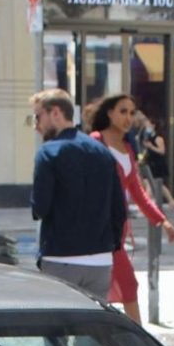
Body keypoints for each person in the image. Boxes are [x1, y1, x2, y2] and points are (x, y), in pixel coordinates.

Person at [28, 89, 126, 301]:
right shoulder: (102, 152)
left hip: (61, 256)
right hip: (100, 259)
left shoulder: (49, 152)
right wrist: (111, 245)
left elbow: (40, 207)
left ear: (55, 112)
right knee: (92, 328)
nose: (36, 125)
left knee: (56, 327)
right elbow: (119, 209)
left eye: (38, 116)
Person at [90, 94, 174, 319]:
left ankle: (133, 341)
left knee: (123, 286)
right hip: (96, 230)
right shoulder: (95, 142)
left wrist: (161, 220)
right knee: (110, 287)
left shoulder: (128, 147)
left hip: (116, 231)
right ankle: (134, 342)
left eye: (131, 112)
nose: (128, 117)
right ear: (109, 113)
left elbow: (137, 191)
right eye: (122, 111)